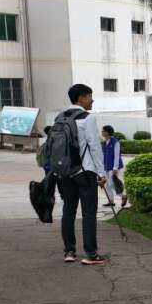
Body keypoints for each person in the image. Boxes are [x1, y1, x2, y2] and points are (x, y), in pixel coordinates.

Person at [56, 84, 107, 265]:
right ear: (81, 98)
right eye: (89, 96)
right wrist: (101, 173)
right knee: (88, 213)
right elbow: (94, 146)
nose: (92, 100)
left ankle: (69, 251)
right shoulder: (87, 118)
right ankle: (91, 254)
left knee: (68, 211)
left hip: (65, 173)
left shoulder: (60, 117)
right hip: (84, 172)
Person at [101, 125, 126, 208]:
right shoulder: (104, 142)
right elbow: (103, 155)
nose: (102, 132)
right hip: (106, 166)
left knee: (112, 184)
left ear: (108, 132)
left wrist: (115, 168)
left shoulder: (115, 142)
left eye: (103, 131)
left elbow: (116, 156)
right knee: (107, 184)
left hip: (114, 167)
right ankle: (111, 201)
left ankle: (123, 196)